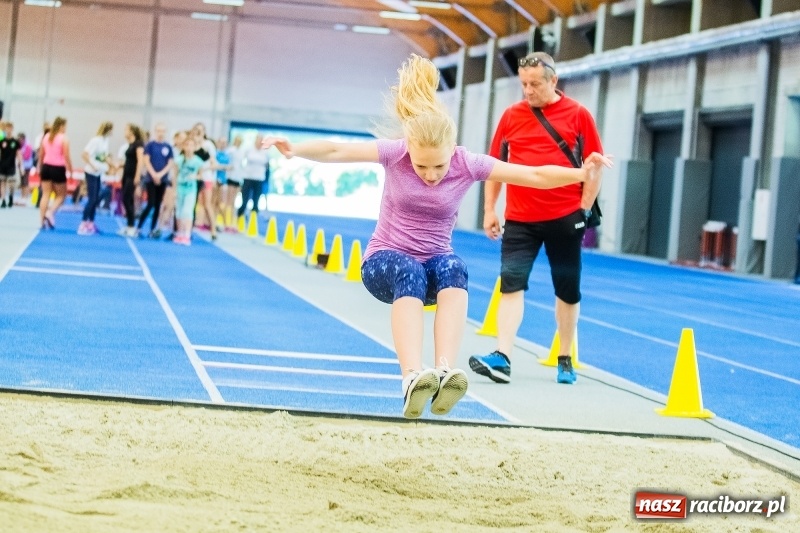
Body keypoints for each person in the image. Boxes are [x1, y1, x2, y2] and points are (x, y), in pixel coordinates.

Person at [262, 54, 610, 419]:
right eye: (421, 166)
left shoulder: (466, 163)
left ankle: (444, 372)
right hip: (384, 264)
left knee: (454, 267)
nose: (430, 174)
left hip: (432, 268)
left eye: (439, 166)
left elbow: (533, 175)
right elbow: (338, 150)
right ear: (409, 150)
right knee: (409, 269)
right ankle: (412, 377)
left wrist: (581, 174)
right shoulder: (396, 153)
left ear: (452, 153)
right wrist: (294, 149)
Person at [469, 52, 604, 386]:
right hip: (520, 220)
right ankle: (502, 357)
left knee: (567, 291)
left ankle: (565, 357)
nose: (528, 91)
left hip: (564, 217)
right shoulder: (511, 116)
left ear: (553, 80)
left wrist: (584, 209)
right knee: (511, 284)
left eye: (534, 84)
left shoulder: (578, 115)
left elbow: (595, 166)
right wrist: (489, 209)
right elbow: (494, 167)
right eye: (523, 84)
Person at [137, 123, 173, 238]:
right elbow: (146, 161)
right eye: (158, 131)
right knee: (150, 203)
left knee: (158, 205)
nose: (160, 133)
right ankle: (139, 226)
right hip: (150, 179)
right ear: (155, 131)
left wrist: (161, 175)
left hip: (162, 180)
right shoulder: (150, 145)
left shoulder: (168, 147)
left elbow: (170, 163)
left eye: (163, 131)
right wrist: (154, 174)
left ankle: (152, 228)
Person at [78, 121, 114, 235]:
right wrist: (93, 165)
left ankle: (91, 223)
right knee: (92, 199)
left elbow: (104, 156)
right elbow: (84, 154)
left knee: (96, 199)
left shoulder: (105, 141)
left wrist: (112, 165)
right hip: (91, 172)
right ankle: (83, 223)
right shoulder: (96, 140)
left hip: (99, 173)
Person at [38, 116, 73, 229]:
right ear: (61, 126)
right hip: (57, 168)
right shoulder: (64, 138)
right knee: (61, 195)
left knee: (46, 194)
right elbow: (66, 155)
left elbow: (41, 154)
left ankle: (42, 220)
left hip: (46, 167)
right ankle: (50, 212)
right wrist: (70, 169)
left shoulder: (46, 137)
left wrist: (40, 167)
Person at [172, 135, 204, 246]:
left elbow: (201, 175)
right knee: (179, 211)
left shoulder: (198, 161)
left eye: (191, 145)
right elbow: (175, 175)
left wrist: (195, 177)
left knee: (187, 211)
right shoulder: (179, 160)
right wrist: (174, 190)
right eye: (187, 145)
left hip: (191, 189)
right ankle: (179, 233)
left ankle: (187, 234)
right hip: (180, 187)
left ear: (195, 147)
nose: (189, 147)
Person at [118, 124, 145, 237]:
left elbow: (140, 160)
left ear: (132, 132)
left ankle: (132, 226)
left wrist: (137, 176)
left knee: (127, 199)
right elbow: (129, 161)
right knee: (126, 200)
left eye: (126, 130)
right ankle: (129, 224)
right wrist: (119, 166)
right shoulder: (130, 145)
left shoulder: (138, 144)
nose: (124, 132)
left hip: (132, 176)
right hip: (126, 174)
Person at [238, 134, 268, 224]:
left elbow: (267, 165)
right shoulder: (249, 149)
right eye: (258, 140)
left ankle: (253, 220)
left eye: (261, 140)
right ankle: (240, 217)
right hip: (248, 177)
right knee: (245, 200)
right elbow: (241, 161)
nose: (259, 142)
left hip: (259, 178)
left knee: (256, 201)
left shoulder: (265, 151)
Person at [0, 121, 22, 208]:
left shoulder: (15, 142)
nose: (8, 130)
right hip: (2, 164)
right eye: (7, 128)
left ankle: (11, 196)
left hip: (11, 165)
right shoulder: (2, 141)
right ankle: (3, 200)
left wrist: (21, 164)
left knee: (11, 183)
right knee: (2, 182)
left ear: (12, 129)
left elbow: (18, 153)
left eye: (10, 128)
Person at [18, 133, 34, 204]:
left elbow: (27, 156)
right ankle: (22, 196)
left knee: (25, 181)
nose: (19, 141)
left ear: (23, 139)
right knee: (22, 181)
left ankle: (25, 196)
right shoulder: (19, 146)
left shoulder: (28, 146)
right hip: (21, 165)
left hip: (27, 165)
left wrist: (20, 155)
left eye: (20, 140)